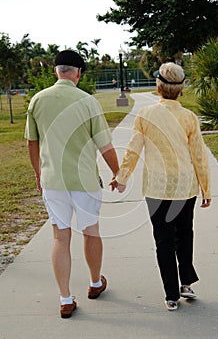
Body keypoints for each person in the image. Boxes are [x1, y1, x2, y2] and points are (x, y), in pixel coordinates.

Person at [25, 50, 119, 318]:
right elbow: (105, 145)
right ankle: (94, 282)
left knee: (60, 236)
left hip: (53, 180)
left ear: (56, 71)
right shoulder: (87, 102)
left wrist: (38, 174)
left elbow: (32, 142)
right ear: (78, 73)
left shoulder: (37, 101)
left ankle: (65, 298)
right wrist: (118, 173)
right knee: (91, 231)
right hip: (84, 181)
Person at [110, 62, 211, 311]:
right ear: (181, 89)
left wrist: (122, 177)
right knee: (185, 234)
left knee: (163, 240)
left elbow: (133, 148)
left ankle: (171, 295)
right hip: (185, 187)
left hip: (157, 189)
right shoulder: (189, 117)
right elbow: (198, 155)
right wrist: (206, 189)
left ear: (158, 87)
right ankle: (186, 282)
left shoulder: (145, 116)